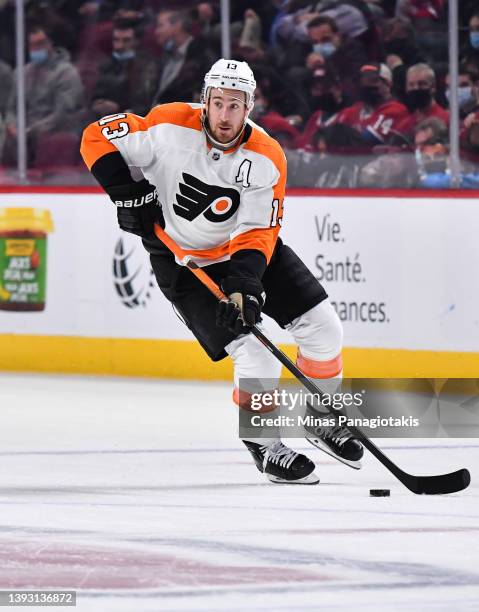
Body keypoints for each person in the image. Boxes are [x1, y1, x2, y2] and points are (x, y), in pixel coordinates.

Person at [81, 58, 364, 484]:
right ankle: (264, 445)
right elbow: (95, 137)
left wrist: (244, 289)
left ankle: (321, 417)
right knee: (252, 352)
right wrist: (129, 194)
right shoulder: (167, 125)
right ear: (205, 101)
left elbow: (257, 231)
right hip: (184, 261)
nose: (225, 115)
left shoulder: (266, 156)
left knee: (324, 328)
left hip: (244, 252)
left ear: (249, 106)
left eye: (236, 105)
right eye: (218, 103)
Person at [4, 25, 85, 165]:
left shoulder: (67, 73)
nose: (37, 48)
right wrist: (12, 124)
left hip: (53, 129)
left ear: (50, 44)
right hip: (24, 132)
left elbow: (63, 113)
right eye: (32, 45)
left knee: (49, 141)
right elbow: (11, 107)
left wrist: (30, 131)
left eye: (41, 43)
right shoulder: (21, 73)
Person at [330, 63, 408, 150]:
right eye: (362, 81)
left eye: (372, 81)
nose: (365, 85)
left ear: (388, 84)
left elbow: (366, 142)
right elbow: (326, 136)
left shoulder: (396, 109)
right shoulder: (353, 109)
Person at [90, 20, 158, 119]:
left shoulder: (148, 66)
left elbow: (146, 101)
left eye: (126, 41)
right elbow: (97, 94)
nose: (119, 46)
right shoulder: (107, 65)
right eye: (116, 40)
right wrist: (97, 103)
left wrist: (119, 107)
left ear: (136, 41)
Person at [397, 63, 449, 139]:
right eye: (411, 85)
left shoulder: (447, 120)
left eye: (421, 84)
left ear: (433, 87)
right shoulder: (404, 124)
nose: (416, 88)